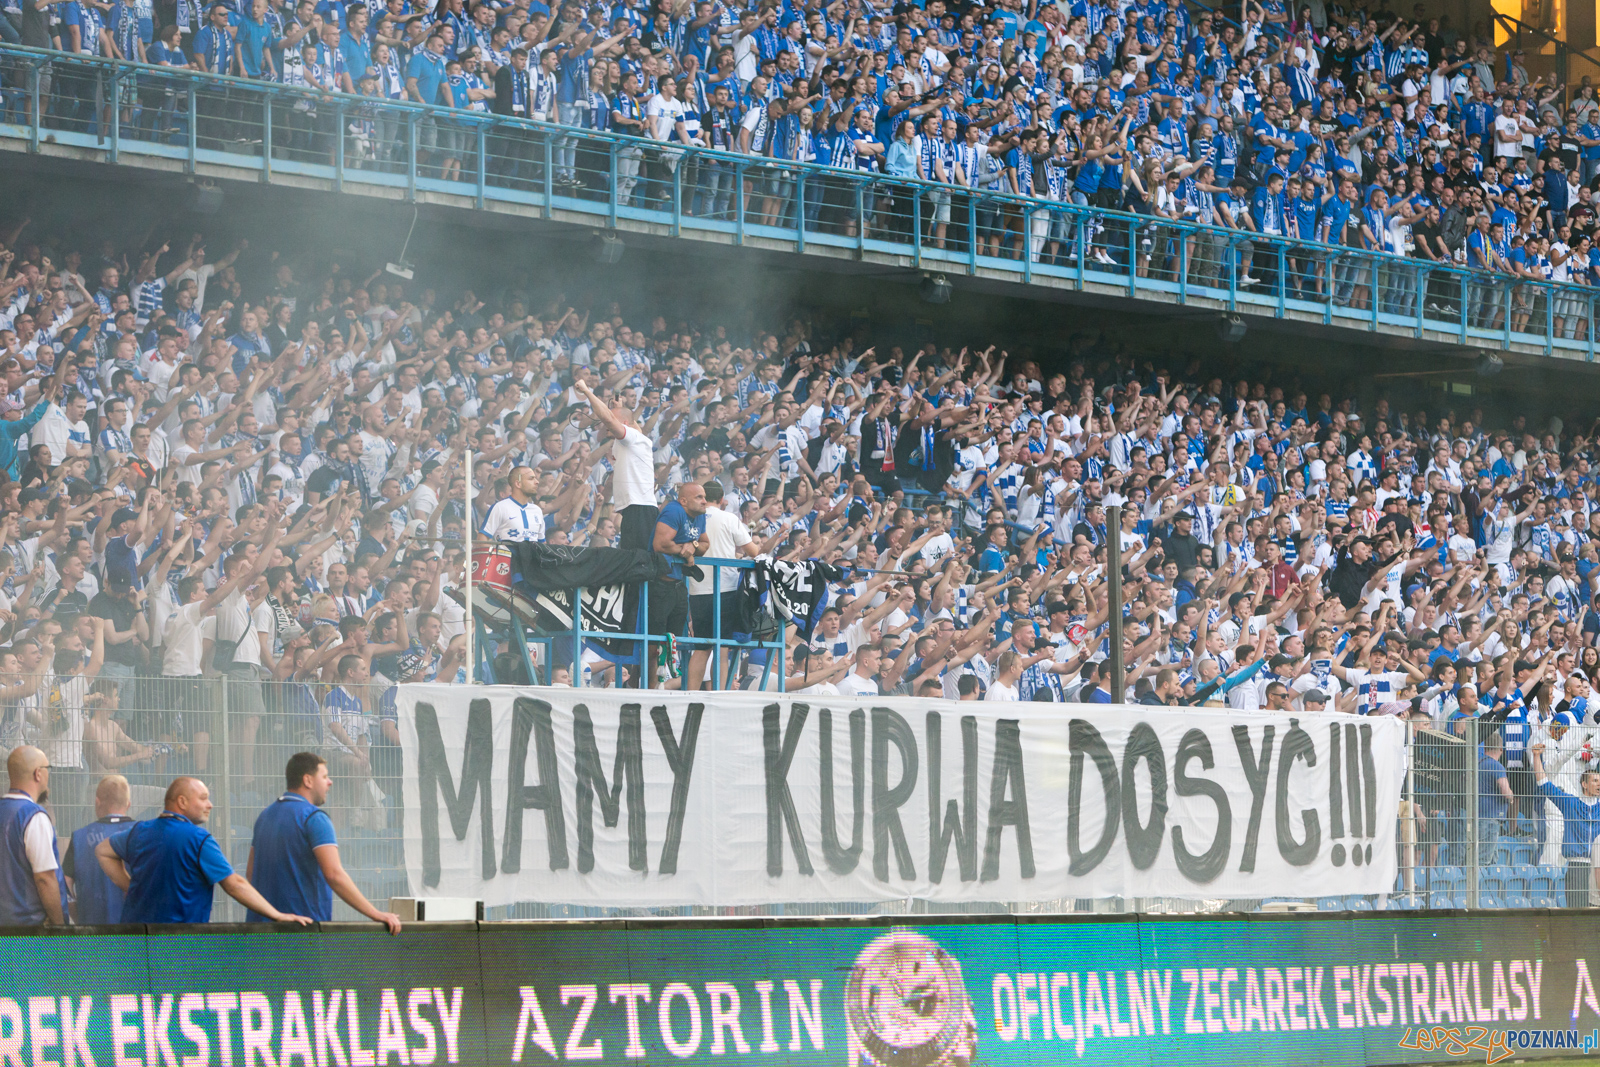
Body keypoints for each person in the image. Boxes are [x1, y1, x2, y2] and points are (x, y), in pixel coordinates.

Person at [95, 776, 312, 925]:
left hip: (136, 945)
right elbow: (234, 885)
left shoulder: (139, 831)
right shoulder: (198, 839)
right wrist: (276, 914)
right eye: (203, 798)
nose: (210, 804)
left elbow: (102, 851)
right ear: (182, 801)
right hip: (182, 949)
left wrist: (130, 886)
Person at [246, 752, 402, 932]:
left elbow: (251, 874)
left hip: (260, 936)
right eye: (325, 776)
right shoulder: (314, 818)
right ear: (308, 780)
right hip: (303, 933)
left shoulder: (265, 817)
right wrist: (376, 914)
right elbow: (334, 874)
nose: (330, 782)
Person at [573, 375, 657, 550]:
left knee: (639, 559)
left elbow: (610, 419)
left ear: (625, 424)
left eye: (613, 422)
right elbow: (625, 421)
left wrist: (587, 391)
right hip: (634, 508)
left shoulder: (633, 438)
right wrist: (619, 409)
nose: (607, 426)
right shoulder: (634, 438)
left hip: (640, 508)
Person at [0, 746, 66, 925]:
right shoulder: (34, 816)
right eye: (48, 768)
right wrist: (61, 928)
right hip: (28, 935)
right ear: (38, 774)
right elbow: (45, 878)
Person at [1530, 742, 1600, 907]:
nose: (1598, 784)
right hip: (1577, 866)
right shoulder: (1571, 803)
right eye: (1595, 780)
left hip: (1597, 865)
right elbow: (1545, 786)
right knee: (1578, 914)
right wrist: (1536, 757)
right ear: (1584, 784)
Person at [61, 773, 135, 924]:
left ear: (97, 802)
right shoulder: (143, 833)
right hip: (134, 932)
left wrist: (79, 919)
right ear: (128, 804)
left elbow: (65, 884)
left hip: (93, 934)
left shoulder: (79, 837)